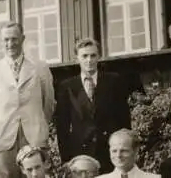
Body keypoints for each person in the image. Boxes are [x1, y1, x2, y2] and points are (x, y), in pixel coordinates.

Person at [0, 22, 55, 178]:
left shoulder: (40, 68)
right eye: (6, 40)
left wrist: (38, 123)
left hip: (34, 137)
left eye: (14, 39)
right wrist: (0, 127)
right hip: (4, 139)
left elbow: (49, 103)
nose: (10, 44)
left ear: (22, 38)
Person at [55, 38, 131, 174]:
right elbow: (62, 126)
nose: (89, 60)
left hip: (110, 151)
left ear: (99, 57)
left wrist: (125, 150)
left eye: (93, 55)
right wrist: (66, 158)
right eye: (84, 56)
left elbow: (124, 119)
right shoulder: (67, 87)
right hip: (81, 153)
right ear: (77, 58)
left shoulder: (113, 81)